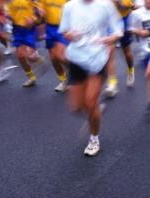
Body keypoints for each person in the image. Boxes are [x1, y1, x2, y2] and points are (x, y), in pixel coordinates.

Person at [59, 0, 123, 156]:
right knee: (76, 107)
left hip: (97, 58)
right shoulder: (69, 6)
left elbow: (118, 30)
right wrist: (70, 35)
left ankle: (94, 138)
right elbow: (64, 31)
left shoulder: (106, 5)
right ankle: (95, 110)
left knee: (90, 102)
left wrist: (111, 38)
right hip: (76, 59)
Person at [6, 0, 45, 87]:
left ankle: (39, 59)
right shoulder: (11, 1)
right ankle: (32, 78)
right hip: (17, 29)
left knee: (30, 57)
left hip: (29, 30)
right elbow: (9, 12)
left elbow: (40, 12)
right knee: (20, 56)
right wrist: (8, 16)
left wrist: (33, 20)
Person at [103, 0, 135, 98]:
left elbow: (130, 7)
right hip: (108, 23)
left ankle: (130, 71)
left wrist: (118, 3)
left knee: (126, 51)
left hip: (123, 20)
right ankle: (112, 83)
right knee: (109, 52)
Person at [37, 0, 69, 92]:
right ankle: (63, 80)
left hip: (64, 27)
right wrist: (40, 14)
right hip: (50, 28)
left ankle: (75, 71)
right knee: (53, 58)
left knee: (59, 55)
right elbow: (41, 13)